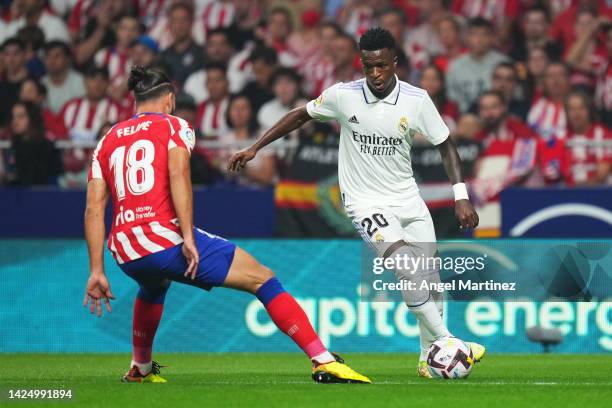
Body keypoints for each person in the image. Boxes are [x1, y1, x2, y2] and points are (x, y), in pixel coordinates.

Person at [83, 65, 370, 384]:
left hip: (124, 250)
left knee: (153, 285)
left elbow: (94, 208)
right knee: (263, 279)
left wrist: (97, 270)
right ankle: (323, 360)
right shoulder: (175, 126)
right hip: (164, 239)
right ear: (169, 98)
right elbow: (179, 176)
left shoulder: (107, 139)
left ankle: (141, 368)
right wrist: (188, 236)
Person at [229, 27, 485, 379]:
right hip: (364, 202)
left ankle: (428, 357)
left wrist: (461, 196)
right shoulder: (344, 95)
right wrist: (256, 146)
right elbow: (301, 114)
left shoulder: (416, 99)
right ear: (361, 65)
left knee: (430, 279)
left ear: (395, 63)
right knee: (407, 269)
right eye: (368, 67)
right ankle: (451, 343)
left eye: (381, 66)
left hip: (408, 198)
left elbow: (445, 144)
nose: (375, 74)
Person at [446, 17, 509, 112]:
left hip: (497, 115)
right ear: (467, 37)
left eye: (484, 34)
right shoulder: (455, 66)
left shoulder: (503, 63)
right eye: (475, 34)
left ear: (491, 37)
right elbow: (452, 99)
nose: (479, 39)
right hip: (465, 118)